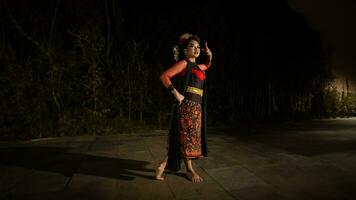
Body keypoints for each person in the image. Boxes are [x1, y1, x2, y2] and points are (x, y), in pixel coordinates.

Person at [156, 33, 213, 183]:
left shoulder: (199, 67)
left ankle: (163, 165)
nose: (196, 49)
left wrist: (209, 55)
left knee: (190, 140)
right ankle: (189, 170)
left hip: (197, 108)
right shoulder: (184, 64)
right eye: (192, 46)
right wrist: (176, 93)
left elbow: (207, 65)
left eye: (198, 47)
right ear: (185, 50)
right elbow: (164, 77)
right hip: (187, 107)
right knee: (186, 139)